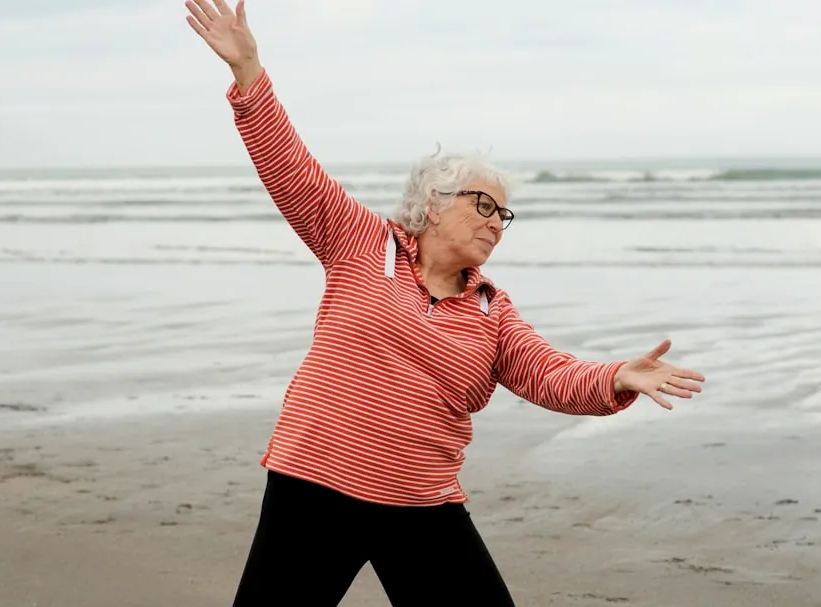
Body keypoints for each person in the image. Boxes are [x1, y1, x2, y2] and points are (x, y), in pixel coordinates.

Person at [184, 1, 706, 605]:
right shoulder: (361, 243)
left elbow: (548, 374)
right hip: (318, 484)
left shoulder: (491, 309)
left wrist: (615, 376)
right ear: (433, 203)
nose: (495, 223)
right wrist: (249, 72)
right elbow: (292, 170)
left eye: (503, 214)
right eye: (482, 205)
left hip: (420, 501)